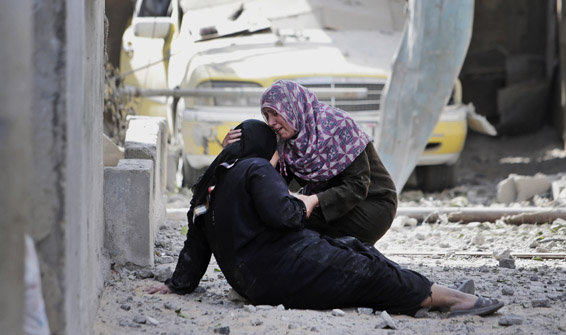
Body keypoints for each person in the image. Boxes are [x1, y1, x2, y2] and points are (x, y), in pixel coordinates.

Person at [147, 119, 503, 318]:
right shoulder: (256, 169)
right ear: (263, 151)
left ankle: (437, 290)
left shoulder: (213, 182)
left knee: (351, 249)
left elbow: (196, 242)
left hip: (250, 282)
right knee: (366, 268)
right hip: (282, 271)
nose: (278, 163)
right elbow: (285, 216)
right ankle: (453, 301)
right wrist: (305, 202)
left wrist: (177, 284)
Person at [223, 80, 397, 245]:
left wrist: (313, 200)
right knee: (271, 211)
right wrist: (232, 151)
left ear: (292, 108)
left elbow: (358, 185)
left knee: (288, 216)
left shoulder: (338, 126)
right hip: (329, 206)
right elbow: (271, 185)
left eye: (275, 113)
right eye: (266, 115)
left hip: (372, 206)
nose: (271, 122)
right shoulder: (289, 140)